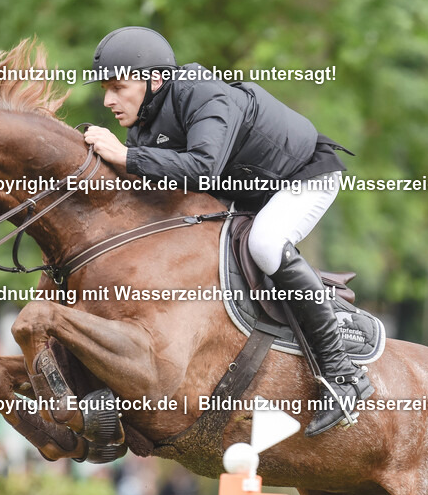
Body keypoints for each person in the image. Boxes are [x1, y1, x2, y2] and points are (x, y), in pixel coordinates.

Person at [83, 26, 372, 436]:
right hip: (248, 192)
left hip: (302, 177)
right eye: (105, 89)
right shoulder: (143, 125)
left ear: (155, 79)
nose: (109, 99)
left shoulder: (203, 93)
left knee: (267, 245)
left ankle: (343, 375)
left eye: (118, 86)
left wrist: (126, 156)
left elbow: (202, 167)